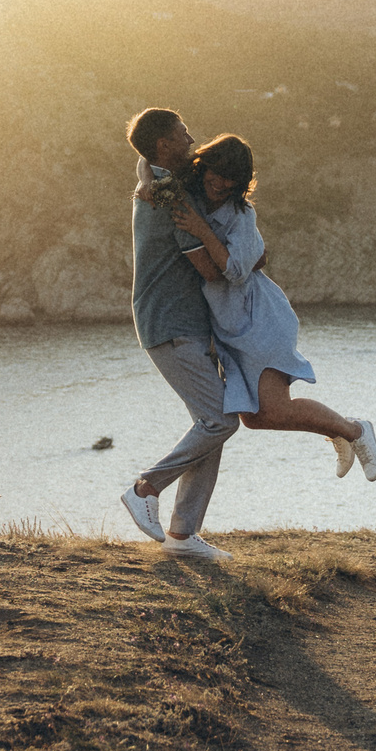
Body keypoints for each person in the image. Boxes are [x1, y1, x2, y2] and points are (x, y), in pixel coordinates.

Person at [171, 134, 376, 481]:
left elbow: (237, 271)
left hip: (259, 320)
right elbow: (146, 165)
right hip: (229, 329)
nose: (221, 183)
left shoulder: (241, 213)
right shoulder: (193, 197)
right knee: (255, 419)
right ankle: (338, 431)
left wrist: (202, 232)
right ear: (204, 165)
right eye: (217, 173)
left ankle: (356, 431)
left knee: (277, 407)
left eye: (231, 180)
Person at [116, 108, 239, 561]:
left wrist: (145, 168)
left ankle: (184, 536)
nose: (191, 137)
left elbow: (144, 163)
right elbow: (208, 267)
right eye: (183, 133)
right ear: (165, 144)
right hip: (169, 323)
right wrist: (243, 264)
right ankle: (145, 488)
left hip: (182, 323)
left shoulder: (159, 178)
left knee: (211, 424)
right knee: (221, 419)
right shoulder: (168, 196)